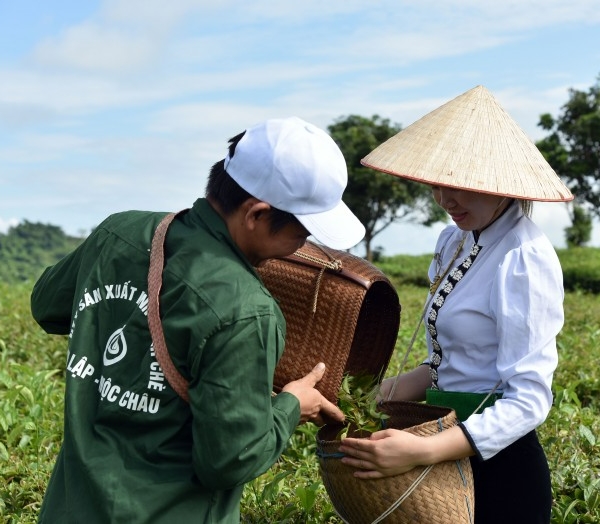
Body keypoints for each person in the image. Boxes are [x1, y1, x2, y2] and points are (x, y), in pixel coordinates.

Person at [30, 116, 365, 523]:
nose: (304, 244)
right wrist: (293, 403)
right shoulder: (245, 309)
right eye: (302, 230)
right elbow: (229, 460)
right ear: (256, 213)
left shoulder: (118, 233)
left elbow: (47, 306)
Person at [338, 85, 573, 523]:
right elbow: (445, 365)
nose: (446, 200)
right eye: (437, 184)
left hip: (499, 468)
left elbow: (529, 401)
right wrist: (368, 399)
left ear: (499, 183)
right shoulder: (454, 242)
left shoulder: (523, 257)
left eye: (459, 186)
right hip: (441, 448)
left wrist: (422, 449)